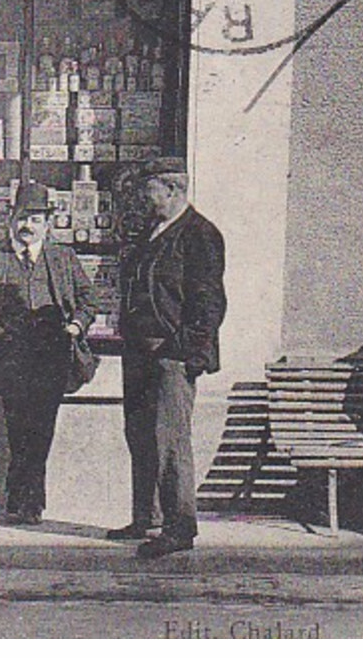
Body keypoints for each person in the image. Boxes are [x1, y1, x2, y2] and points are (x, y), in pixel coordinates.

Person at [106, 157, 227, 558]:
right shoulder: (150, 233)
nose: (144, 197)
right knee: (140, 437)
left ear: (173, 190)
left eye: (150, 189)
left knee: (170, 441)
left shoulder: (200, 234)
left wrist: (187, 354)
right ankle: (147, 517)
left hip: (171, 357)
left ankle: (180, 526)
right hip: (138, 353)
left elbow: (209, 303)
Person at [0, 181, 97, 525]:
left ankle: (28, 502)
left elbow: (89, 300)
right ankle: (20, 500)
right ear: (11, 222)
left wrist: (75, 326)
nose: (27, 226)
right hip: (11, 360)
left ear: (47, 223)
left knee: (41, 431)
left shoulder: (62, 258)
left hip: (51, 357)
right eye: (21, 218)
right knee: (16, 431)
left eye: (34, 219)